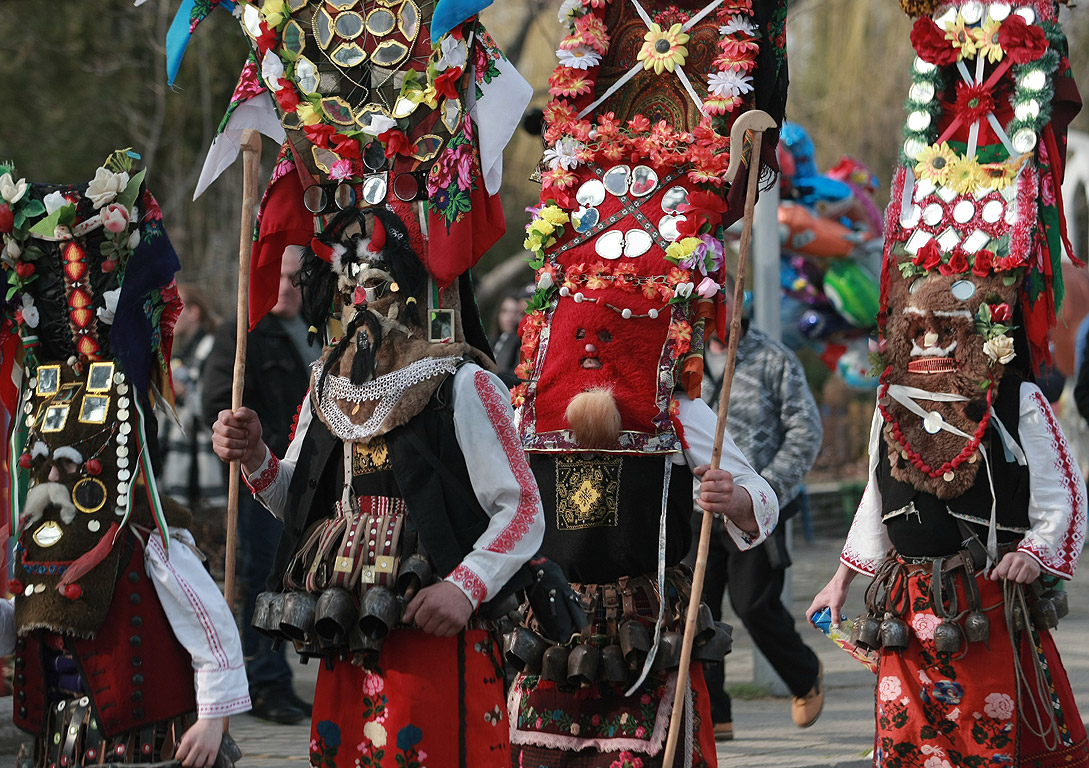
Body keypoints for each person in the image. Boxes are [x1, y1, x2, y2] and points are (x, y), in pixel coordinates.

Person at [807, 4, 1087, 764]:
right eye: (919, 328)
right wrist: (841, 580)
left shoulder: (1011, 392)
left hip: (985, 601)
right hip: (905, 603)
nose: (930, 341)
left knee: (988, 743)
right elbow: (877, 488)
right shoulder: (893, 395)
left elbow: (1062, 494)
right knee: (907, 750)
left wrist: (1037, 552)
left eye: (944, 330)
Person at [212, 205, 545, 767]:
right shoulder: (327, 386)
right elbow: (296, 500)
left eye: (375, 283)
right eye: (347, 285)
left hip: (433, 616)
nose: (359, 300)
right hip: (345, 617)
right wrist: (255, 457)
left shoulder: (464, 382)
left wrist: (465, 587)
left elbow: (522, 509)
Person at [0, 155, 249, 767]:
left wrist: (213, 719)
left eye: (66, 465)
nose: (51, 475)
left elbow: (211, 631)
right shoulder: (31, 553)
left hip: (140, 744)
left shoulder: (149, 549)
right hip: (59, 741)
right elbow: (18, 628)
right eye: (43, 466)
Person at [693, 287, 823, 741]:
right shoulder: (680, 364)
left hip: (755, 508)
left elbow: (805, 432)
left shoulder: (774, 359)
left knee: (753, 604)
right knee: (696, 611)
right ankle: (714, 711)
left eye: (724, 301)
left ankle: (804, 676)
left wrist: (766, 490)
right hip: (698, 506)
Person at [202, 247, 313, 724]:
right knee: (263, 576)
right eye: (278, 277)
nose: (286, 287)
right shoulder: (243, 332)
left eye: (296, 277)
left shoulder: (320, 331)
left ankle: (281, 678)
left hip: (314, 477)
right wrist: (239, 434)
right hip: (260, 478)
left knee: (301, 576)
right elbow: (214, 398)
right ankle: (264, 682)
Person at [491, 292, 528, 380]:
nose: (510, 317)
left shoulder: (521, 343)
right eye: (505, 311)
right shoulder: (494, 342)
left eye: (515, 312)